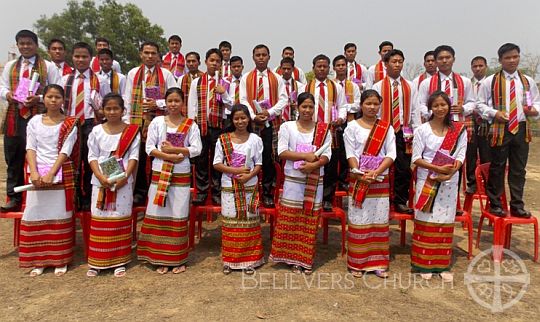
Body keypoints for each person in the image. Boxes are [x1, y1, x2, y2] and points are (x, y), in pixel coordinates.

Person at [138, 87, 202, 274]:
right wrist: (169, 156)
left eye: (177, 101)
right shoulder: (158, 122)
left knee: (178, 212)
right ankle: (159, 257)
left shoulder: (191, 124)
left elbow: (196, 148)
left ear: (183, 103)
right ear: (165, 102)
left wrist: (175, 152)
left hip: (180, 174)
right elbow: (149, 148)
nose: (173, 104)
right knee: (159, 211)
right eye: (170, 101)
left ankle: (178, 258)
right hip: (160, 171)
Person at [19, 84, 79, 277]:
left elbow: (65, 151)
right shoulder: (35, 121)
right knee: (36, 214)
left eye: (57, 97)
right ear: (43, 98)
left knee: (59, 215)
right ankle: (39, 260)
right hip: (36, 174)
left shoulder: (69, 123)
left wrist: (52, 172)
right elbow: (31, 147)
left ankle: (59, 259)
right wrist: (34, 172)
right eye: (50, 96)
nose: (53, 100)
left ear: (63, 100)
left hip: (59, 172)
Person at [270, 92, 331, 274]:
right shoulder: (287, 127)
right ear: (297, 107)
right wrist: (305, 156)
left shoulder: (323, 129)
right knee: (291, 217)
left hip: (314, 180)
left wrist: (314, 164)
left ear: (315, 109)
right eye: (303, 106)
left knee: (308, 219)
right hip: (293, 181)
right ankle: (288, 257)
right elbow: (282, 152)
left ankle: (303, 259)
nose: (307, 110)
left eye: (310, 107)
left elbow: (328, 155)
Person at [0, 29, 61, 212]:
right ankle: (14, 197)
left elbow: (56, 91)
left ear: (36, 45)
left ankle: (42, 196)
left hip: (39, 117)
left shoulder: (48, 67)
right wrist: (8, 94)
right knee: (15, 157)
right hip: (15, 117)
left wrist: (40, 98)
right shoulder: (11, 66)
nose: (25, 47)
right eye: (22, 44)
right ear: (18, 45)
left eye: (29, 43)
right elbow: (2, 86)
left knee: (40, 157)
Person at [477, 43, 540, 218]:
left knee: (518, 169)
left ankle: (517, 205)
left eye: (515, 57)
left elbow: (536, 102)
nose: (512, 61)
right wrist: (494, 112)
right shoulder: (491, 81)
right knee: (497, 167)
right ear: (500, 60)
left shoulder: (527, 81)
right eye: (508, 58)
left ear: (519, 57)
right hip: (500, 128)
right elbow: (479, 104)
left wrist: (534, 111)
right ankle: (495, 204)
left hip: (521, 127)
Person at [411, 91, 467, 282]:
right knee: (426, 220)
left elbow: (460, 155)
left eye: (443, 105)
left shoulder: (459, 130)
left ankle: (441, 265)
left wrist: (451, 172)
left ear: (449, 106)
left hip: (449, 182)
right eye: (436, 105)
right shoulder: (422, 130)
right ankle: (423, 264)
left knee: (444, 221)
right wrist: (436, 168)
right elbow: (416, 158)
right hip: (427, 180)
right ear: (430, 108)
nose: (440, 108)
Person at [86, 93, 140, 277]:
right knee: (100, 216)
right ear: (102, 110)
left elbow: (134, 156)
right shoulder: (96, 131)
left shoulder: (132, 131)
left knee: (119, 216)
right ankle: (97, 261)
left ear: (123, 110)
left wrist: (125, 176)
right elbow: (92, 156)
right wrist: (100, 176)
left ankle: (119, 260)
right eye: (108, 108)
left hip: (122, 180)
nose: (112, 112)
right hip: (101, 180)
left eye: (116, 108)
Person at [344, 89, 396, 278]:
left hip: (379, 180)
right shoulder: (352, 127)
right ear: (361, 105)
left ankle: (378, 262)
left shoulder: (386, 128)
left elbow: (391, 153)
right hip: (359, 179)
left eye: (375, 104)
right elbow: (350, 152)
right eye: (368, 103)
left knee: (378, 221)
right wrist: (358, 173)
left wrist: (376, 172)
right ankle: (357, 263)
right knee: (359, 219)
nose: (372, 107)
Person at [213, 104, 264, 274]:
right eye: (236, 118)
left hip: (249, 185)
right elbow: (217, 164)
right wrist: (235, 171)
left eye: (243, 118)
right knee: (230, 221)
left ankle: (250, 260)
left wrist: (249, 176)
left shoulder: (255, 139)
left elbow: (259, 164)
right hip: (229, 185)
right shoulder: (223, 139)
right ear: (232, 120)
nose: (240, 121)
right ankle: (230, 260)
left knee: (249, 221)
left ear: (249, 119)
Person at [124, 41, 177, 205]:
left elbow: (174, 97)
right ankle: (139, 192)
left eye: (153, 53)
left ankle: (160, 189)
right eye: (146, 53)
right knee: (138, 157)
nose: (149, 56)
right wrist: (127, 124)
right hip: (137, 122)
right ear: (140, 54)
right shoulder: (133, 73)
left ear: (158, 55)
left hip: (160, 122)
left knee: (159, 156)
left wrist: (158, 104)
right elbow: (127, 98)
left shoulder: (166, 74)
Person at [239, 44, 288, 208]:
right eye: (258, 55)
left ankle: (267, 193)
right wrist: (253, 116)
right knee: (250, 156)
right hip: (251, 123)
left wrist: (269, 113)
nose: (261, 57)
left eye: (264, 55)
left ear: (269, 57)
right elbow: (243, 99)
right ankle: (249, 192)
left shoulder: (276, 78)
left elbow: (283, 99)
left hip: (270, 123)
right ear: (253, 57)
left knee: (268, 158)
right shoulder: (246, 78)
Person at [62, 42, 109, 210]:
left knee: (91, 161)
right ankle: (74, 198)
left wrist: (101, 110)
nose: (80, 60)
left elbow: (107, 103)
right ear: (72, 57)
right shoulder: (65, 79)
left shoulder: (100, 80)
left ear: (91, 58)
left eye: (84, 57)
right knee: (72, 161)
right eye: (77, 56)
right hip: (71, 123)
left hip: (91, 123)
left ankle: (89, 197)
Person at [372, 49, 419, 214]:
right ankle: (381, 200)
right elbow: (374, 111)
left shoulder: (410, 86)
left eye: (400, 61)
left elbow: (414, 111)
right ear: (385, 64)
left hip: (403, 132)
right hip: (383, 131)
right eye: (394, 61)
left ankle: (400, 201)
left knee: (403, 168)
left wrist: (417, 133)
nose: (397, 64)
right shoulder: (378, 86)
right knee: (381, 167)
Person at [300, 54, 347, 211]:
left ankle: (327, 199)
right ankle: (308, 197)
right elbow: (298, 110)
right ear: (313, 68)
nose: (322, 69)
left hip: (330, 131)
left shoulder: (336, 87)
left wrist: (341, 118)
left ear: (329, 68)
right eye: (319, 66)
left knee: (330, 166)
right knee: (311, 163)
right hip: (310, 131)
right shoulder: (304, 87)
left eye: (325, 66)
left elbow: (343, 107)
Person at [188, 48, 233, 205]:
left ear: (221, 64)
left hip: (218, 125)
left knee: (217, 159)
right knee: (200, 159)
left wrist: (224, 93)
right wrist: (191, 125)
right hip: (200, 125)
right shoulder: (197, 82)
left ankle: (216, 192)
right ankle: (201, 191)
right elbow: (192, 105)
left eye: (218, 61)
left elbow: (232, 106)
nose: (214, 63)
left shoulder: (225, 82)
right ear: (206, 61)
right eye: (212, 60)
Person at [417, 45, 475, 124]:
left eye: (448, 57)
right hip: (434, 126)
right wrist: (431, 113)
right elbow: (421, 104)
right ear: (436, 61)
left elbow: (471, 102)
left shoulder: (465, 81)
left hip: (458, 123)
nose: (444, 61)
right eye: (440, 58)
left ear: (453, 59)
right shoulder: (426, 83)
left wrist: (463, 109)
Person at [465, 56, 491, 193]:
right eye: (475, 66)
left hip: (486, 122)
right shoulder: (468, 84)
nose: (478, 69)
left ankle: (487, 183)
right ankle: (472, 182)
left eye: (481, 66)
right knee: (470, 153)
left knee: (486, 153)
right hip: (470, 121)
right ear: (471, 68)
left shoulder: (491, 83)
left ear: (485, 66)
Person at [332, 54, 361, 120]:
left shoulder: (354, 86)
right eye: (338, 65)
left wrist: (344, 107)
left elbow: (358, 105)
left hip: (350, 119)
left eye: (343, 65)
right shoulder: (331, 85)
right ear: (334, 68)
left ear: (347, 67)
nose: (341, 67)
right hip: (334, 119)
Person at [278, 57, 302, 122]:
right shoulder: (276, 84)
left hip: (294, 119)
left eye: (288, 69)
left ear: (293, 69)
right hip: (278, 118)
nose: (286, 71)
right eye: (284, 68)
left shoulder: (299, 86)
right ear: (280, 68)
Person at [224, 55, 244, 127]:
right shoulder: (225, 81)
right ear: (230, 68)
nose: (236, 69)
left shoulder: (246, 81)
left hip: (243, 113)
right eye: (234, 67)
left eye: (238, 66)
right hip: (229, 114)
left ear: (242, 67)